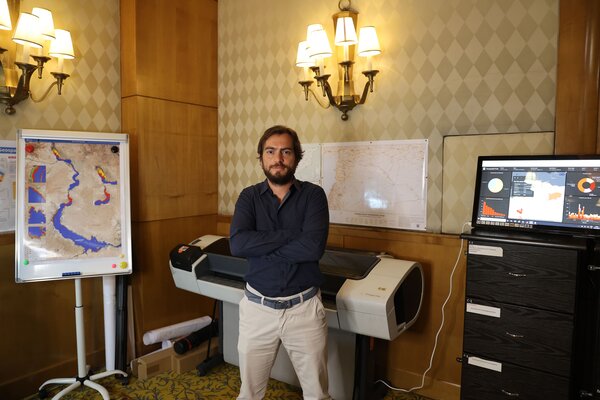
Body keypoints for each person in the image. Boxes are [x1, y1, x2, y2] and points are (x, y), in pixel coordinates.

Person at [229, 125, 331, 400]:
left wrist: (261, 246)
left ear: (296, 157)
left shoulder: (313, 195)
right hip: (257, 309)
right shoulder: (248, 197)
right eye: (270, 151)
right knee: (249, 394)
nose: (278, 158)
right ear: (261, 157)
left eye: (286, 151)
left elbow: (312, 248)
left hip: (305, 310)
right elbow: (238, 245)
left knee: (317, 394)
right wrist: (291, 236)